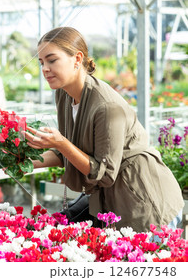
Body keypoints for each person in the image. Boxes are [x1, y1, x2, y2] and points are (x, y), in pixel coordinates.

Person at [23, 27, 184, 232]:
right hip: (111, 200)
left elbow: (104, 173)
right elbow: (67, 150)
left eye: (52, 60)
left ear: (77, 58)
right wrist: (24, 163)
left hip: (144, 202)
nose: (45, 68)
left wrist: (60, 143)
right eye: (41, 62)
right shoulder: (64, 95)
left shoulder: (106, 106)